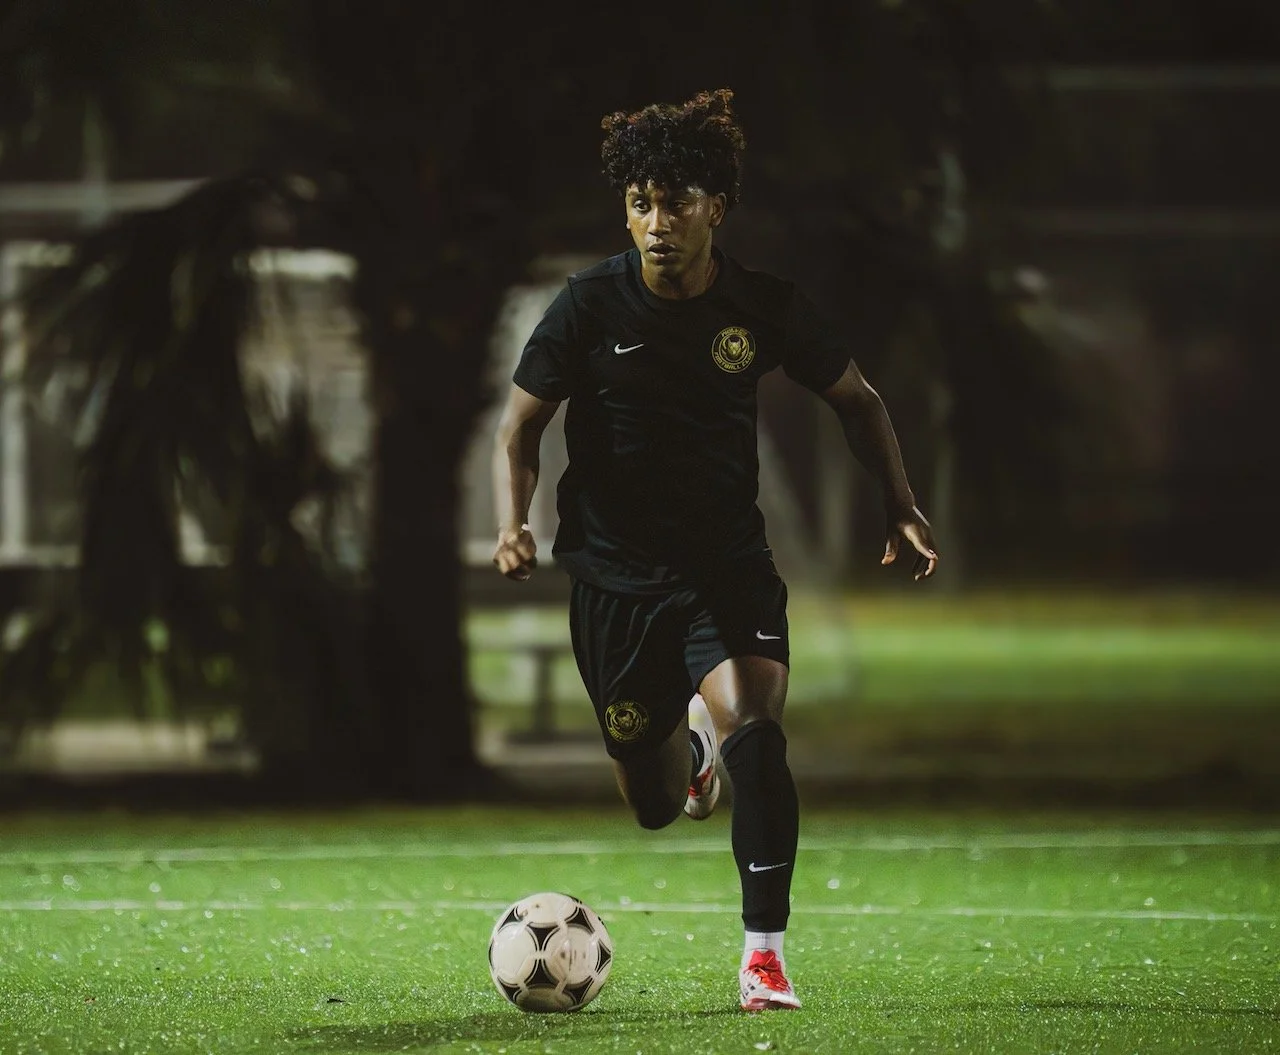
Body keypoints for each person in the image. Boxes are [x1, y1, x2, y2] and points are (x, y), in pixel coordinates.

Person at [492, 88, 938, 1012]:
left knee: (760, 739)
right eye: (641, 204)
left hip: (726, 569)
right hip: (614, 580)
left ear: (716, 208)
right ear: (626, 212)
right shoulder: (587, 305)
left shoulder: (761, 307)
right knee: (655, 804)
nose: (658, 223)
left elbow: (858, 401)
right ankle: (689, 752)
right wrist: (515, 521)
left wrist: (900, 503)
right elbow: (520, 425)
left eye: (677, 203)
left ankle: (763, 955)